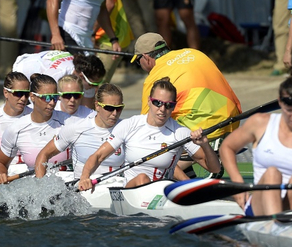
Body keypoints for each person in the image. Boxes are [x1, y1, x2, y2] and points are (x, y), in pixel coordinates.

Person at [78, 78, 221, 189]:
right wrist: (85, 177)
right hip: (131, 190)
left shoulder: (180, 132)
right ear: (149, 101)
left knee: (145, 180)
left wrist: (205, 145)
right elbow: (98, 156)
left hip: (163, 191)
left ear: (173, 106)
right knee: (142, 178)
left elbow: (214, 168)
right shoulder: (130, 125)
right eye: (157, 103)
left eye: (168, 105)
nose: (162, 109)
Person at [132, 32, 241, 177]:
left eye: (138, 62)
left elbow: (147, 124)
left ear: (146, 58)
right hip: (233, 118)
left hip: (203, 127)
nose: (141, 66)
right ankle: (190, 173)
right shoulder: (194, 52)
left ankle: (187, 177)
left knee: (155, 149)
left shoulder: (155, 77)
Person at [220, 68, 292, 216]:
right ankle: (273, 225)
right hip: (260, 204)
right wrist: (237, 183)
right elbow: (227, 147)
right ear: (280, 102)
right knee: (272, 173)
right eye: (289, 110)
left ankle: (284, 223)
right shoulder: (261, 123)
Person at [0, 74, 70, 184]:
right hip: (34, 187)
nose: (52, 102)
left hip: (68, 184)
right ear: (32, 96)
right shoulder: (16, 129)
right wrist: (0, 174)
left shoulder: (69, 122)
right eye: (47, 97)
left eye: (55, 97)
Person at [35, 83, 125, 178]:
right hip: (84, 188)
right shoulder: (76, 128)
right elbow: (44, 154)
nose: (115, 113)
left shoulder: (126, 127)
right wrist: (40, 185)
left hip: (117, 187)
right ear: (97, 106)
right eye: (109, 108)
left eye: (119, 108)